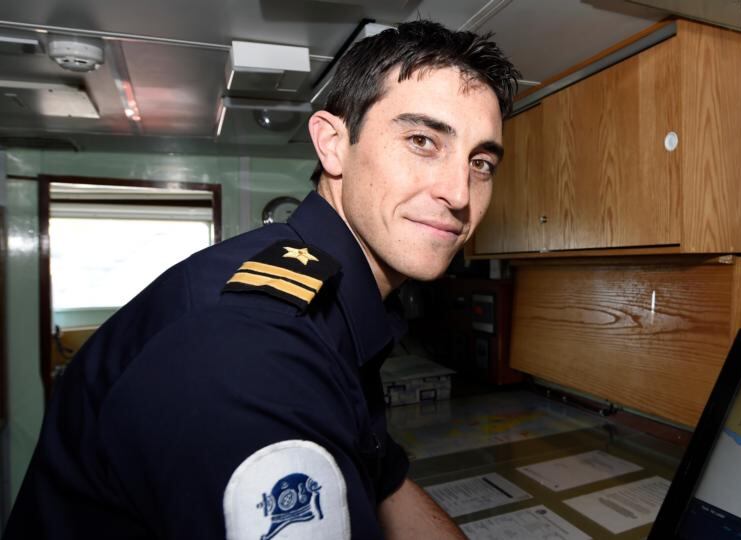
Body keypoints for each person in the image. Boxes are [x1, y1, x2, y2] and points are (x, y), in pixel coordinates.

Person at [4, 20, 519, 540]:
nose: (459, 192)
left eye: (480, 162)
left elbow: (380, 476)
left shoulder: (336, 299)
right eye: (423, 140)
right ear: (333, 144)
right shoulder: (253, 350)